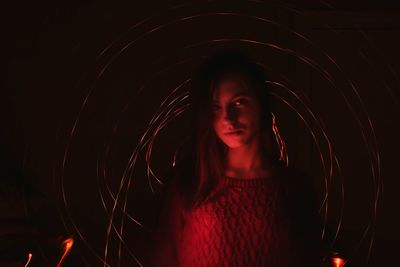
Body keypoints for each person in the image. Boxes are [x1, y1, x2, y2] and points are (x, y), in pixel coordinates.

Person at [148, 50, 324, 267]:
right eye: (216, 107)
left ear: (261, 104)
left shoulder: (294, 188)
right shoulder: (189, 185)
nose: (227, 118)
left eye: (239, 102)